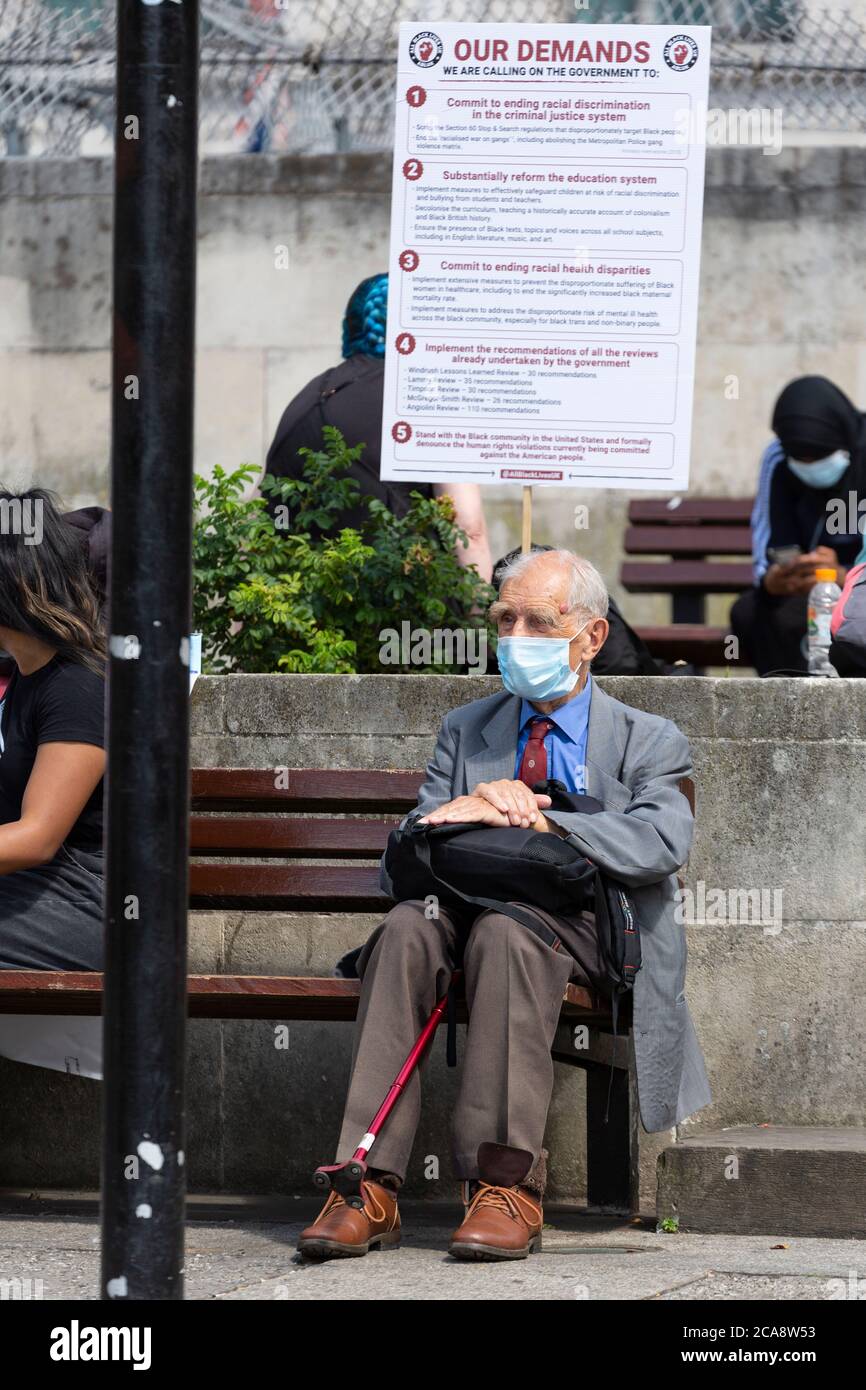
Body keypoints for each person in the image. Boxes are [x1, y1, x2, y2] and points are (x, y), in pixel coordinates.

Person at [297, 548, 711, 1262]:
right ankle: (364, 1183)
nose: (516, 635)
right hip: (458, 911)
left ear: (591, 637)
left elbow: (660, 840)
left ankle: (504, 1185)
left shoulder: (648, 738)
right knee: (401, 930)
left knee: (507, 936)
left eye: (540, 621)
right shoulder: (469, 728)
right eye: (505, 618)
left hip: (585, 927)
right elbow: (406, 860)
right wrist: (464, 806)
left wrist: (550, 821)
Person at [265, 273, 493, 581]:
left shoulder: (309, 396)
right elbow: (468, 529)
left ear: (350, 326)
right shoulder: (426, 395)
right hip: (403, 612)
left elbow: (261, 510)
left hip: (302, 606)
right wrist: (477, 623)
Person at [0, 489, 107, 973]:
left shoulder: (77, 686)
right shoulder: (27, 678)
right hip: (43, 889)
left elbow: (37, 837)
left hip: (88, 903)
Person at [731, 376, 866, 674]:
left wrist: (844, 575)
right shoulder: (778, 459)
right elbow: (769, 541)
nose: (809, 464)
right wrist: (775, 580)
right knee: (750, 611)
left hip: (857, 591)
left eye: (818, 456)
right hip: (806, 594)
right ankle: (784, 702)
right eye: (800, 458)